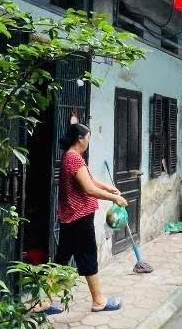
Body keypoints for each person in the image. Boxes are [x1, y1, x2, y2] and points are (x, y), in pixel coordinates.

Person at [50, 122, 128, 313]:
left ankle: (45, 301)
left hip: (70, 216)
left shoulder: (70, 156)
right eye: (88, 138)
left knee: (61, 258)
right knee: (88, 256)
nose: (88, 141)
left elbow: (90, 180)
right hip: (79, 217)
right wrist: (115, 198)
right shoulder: (74, 158)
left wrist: (108, 187)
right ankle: (98, 301)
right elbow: (89, 188)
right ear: (80, 139)